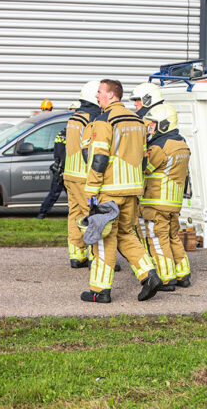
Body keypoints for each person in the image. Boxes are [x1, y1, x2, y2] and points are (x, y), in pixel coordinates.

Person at [80, 79, 162, 303]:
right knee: (127, 234)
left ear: (111, 95)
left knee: (103, 240)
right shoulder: (138, 120)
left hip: (109, 190)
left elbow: (98, 158)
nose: (97, 97)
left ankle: (100, 291)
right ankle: (149, 275)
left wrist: (91, 189)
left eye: (99, 93)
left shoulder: (103, 120)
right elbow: (144, 157)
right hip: (132, 190)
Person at [139, 104, 192, 290]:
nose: (150, 128)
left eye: (153, 125)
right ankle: (183, 274)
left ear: (163, 125)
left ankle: (167, 277)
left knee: (157, 239)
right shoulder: (182, 144)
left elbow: (145, 169)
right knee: (172, 237)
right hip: (173, 202)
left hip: (156, 202)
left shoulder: (159, 147)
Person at [62, 81, 101, 268]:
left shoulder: (75, 117)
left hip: (69, 173)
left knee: (75, 213)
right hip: (83, 176)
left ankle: (77, 255)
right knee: (91, 215)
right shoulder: (92, 119)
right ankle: (96, 256)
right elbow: (90, 149)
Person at [36, 129, 65, 219]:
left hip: (60, 167)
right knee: (56, 193)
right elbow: (63, 153)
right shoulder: (68, 134)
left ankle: (42, 213)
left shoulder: (61, 133)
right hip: (64, 168)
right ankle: (42, 214)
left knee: (54, 193)